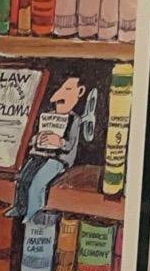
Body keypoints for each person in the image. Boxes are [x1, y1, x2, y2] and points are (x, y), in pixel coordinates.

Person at [5, 74, 93, 222]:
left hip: (59, 158)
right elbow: (33, 138)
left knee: (38, 183)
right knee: (23, 178)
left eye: (68, 89)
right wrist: (37, 139)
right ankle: (20, 207)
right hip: (40, 154)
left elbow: (71, 144)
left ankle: (33, 213)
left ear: (80, 92)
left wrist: (59, 141)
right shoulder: (47, 116)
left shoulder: (74, 120)